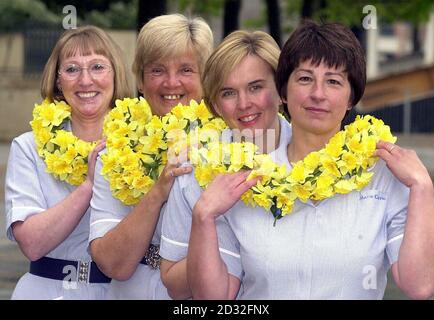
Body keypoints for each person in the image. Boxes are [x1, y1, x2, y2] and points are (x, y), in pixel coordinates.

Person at [186, 20, 434, 299]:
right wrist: (203, 216)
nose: (318, 94)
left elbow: (419, 285)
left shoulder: (382, 173)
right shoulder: (247, 177)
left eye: (333, 81)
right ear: (283, 92)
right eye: (305, 79)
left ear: (350, 98)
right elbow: (213, 299)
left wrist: (422, 187)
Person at [88, 14, 213, 299]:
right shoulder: (116, 148)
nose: (171, 83)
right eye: (157, 70)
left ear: (207, 77)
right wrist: (158, 192)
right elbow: (111, 264)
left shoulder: (228, 146)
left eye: (186, 70)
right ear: (141, 82)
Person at [159, 30, 292, 299]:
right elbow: (172, 281)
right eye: (229, 92)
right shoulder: (193, 165)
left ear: (281, 91)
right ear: (216, 105)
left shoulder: (314, 159)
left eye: (256, 87)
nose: (244, 104)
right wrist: (208, 228)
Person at [4, 26, 132, 299]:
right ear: (58, 80)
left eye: (97, 66)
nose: (86, 81)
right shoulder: (28, 147)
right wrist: (89, 185)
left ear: (115, 74)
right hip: (46, 290)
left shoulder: (141, 145)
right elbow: (32, 244)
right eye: (72, 69)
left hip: (121, 292)